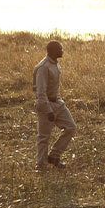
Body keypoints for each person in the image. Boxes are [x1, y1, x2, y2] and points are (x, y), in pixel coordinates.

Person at [33, 40, 76, 170]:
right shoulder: (43, 67)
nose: (62, 51)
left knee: (70, 127)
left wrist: (57, 103)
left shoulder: (56, 65)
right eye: (60, 49)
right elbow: (40, 92)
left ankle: (54, 156)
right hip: (45, 104)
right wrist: (48, 110)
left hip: (57, 102)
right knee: (44, 136)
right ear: (52, 51)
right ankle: (41, 165)